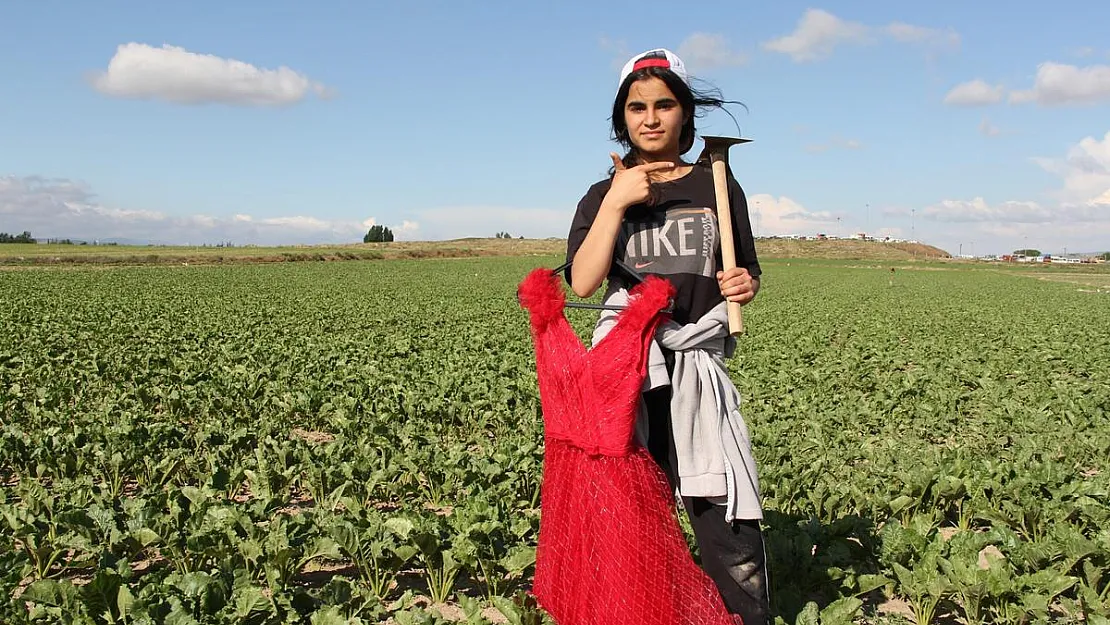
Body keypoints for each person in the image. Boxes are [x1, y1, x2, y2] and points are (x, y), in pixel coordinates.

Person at [563, 48, 769, 625]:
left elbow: (744, 271)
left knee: (722, 510)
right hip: (629, 372)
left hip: (697, 369)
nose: (650, 118)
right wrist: (619, 198)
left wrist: (743, 284)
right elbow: (583, 282)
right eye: (637, 107)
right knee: (632, 509)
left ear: (684, 114)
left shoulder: (717, 186)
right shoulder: (599, 195)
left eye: (664, 105)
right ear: (621, 118)